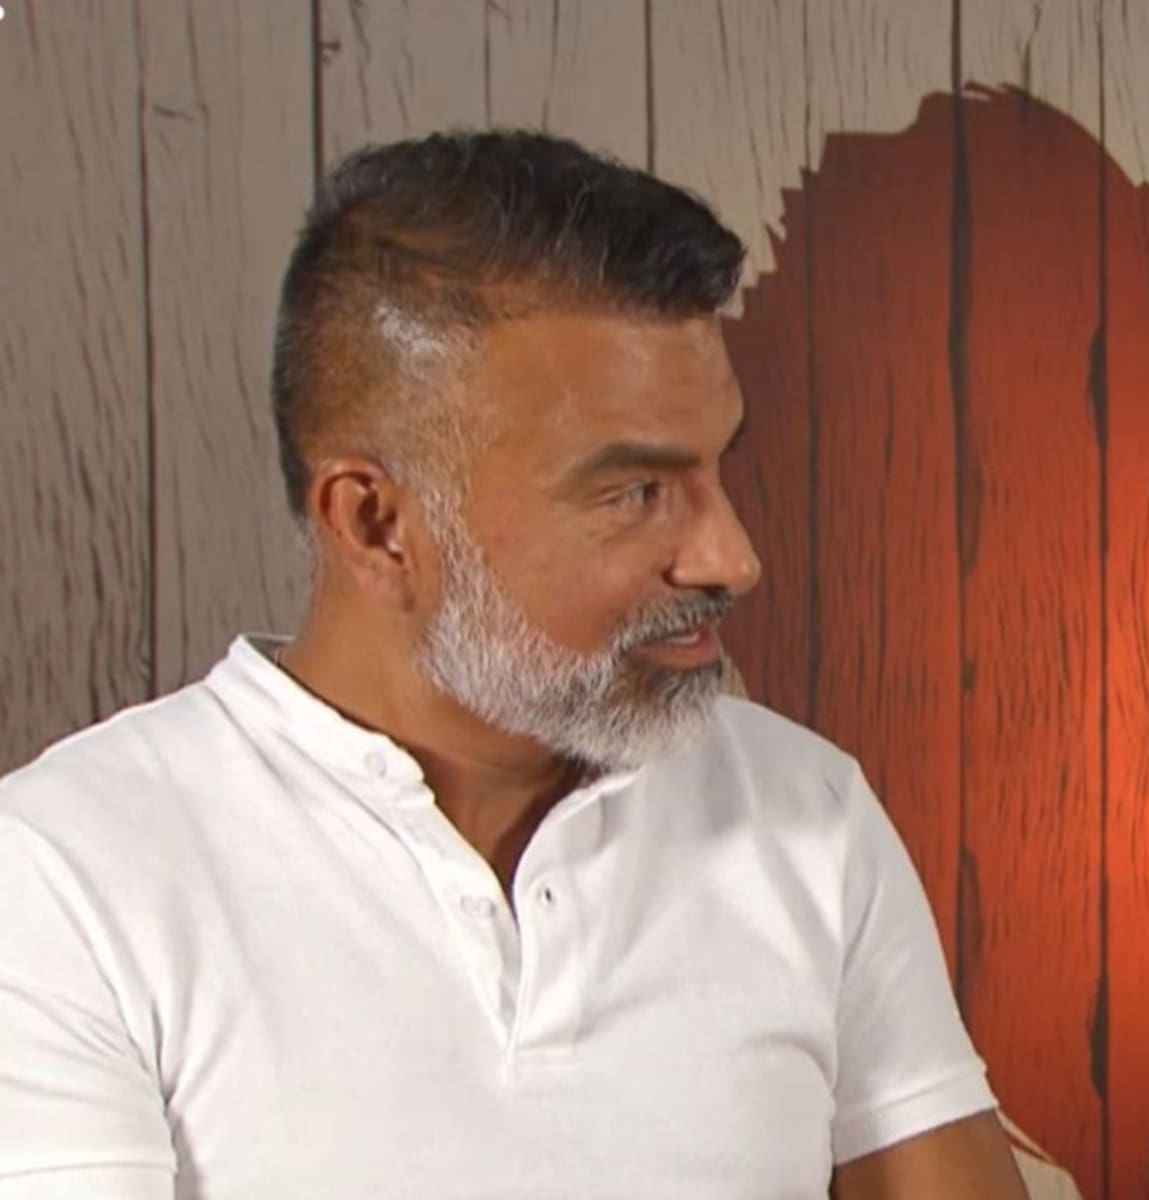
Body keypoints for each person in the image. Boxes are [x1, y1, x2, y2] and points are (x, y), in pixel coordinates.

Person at [0, 131, 1027, 1200]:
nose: (731, 557)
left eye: (716, 468)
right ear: (375, 523)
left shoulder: (808, 813)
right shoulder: (68, 873)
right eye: (634, 492)